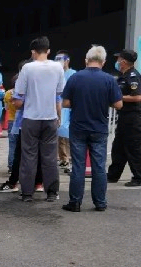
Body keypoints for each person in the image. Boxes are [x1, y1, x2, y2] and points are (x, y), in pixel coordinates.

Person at [60, 45, 122, 212]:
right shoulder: (109, 79)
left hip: (78, 127)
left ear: (86, 60)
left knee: (78, 166)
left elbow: (65, 103)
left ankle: (75, 202)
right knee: (99, 167)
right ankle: (100, 203)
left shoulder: (75, 77)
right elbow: (118, 104)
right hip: (99, 128)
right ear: (103, 61)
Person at [14, 36, 65, 202]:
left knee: (29, 156)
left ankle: (27, 193)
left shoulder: (27, 68)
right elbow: (59, 95)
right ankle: (52, 192)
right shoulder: (58, 67)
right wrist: (58, 117)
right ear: (48, 51)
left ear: (33, 52)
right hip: (50, 117)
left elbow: (19, 97)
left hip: (31, 118)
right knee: (50, 157)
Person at [0, 60, 43, 193]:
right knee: (39, 153)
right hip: (41, 121)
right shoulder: (42, 82)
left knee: (19, 153)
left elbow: (17, 104)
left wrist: (15, 99)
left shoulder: (22, 83)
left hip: (25, 122)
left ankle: (13, 182)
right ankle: (39, 183)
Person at [107, 49, 141, 187]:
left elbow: (137, 97)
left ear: (124, 62)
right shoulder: (123, 76)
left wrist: (118, 98)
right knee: (118, 148)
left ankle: (138, 177)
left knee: (133, 148)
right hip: (124, 117)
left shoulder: (133, 76)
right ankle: (113, 175)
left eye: (119, 59)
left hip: (133, 118)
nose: (117, 62)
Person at [55, 50, 76, 170]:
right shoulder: (55, 73)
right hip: (58, 104)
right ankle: (63, 158)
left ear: (67, 61)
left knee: (68, 133)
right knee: (59, 132)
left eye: (61, 60)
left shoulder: (73, 74)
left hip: (68, 106)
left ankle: (69, 158)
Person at [4, 75, 18, 172]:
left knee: (12, 144)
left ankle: (11, 166)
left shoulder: (8, 93)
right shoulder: (24, 93)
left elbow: (6, 108)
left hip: (11, 120)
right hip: (22, 121)